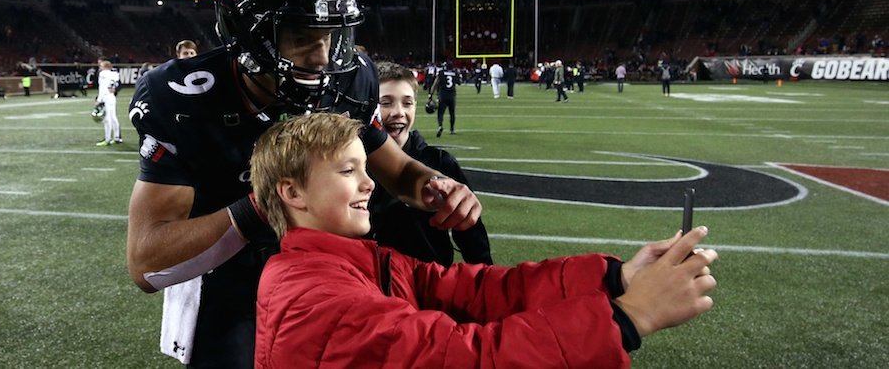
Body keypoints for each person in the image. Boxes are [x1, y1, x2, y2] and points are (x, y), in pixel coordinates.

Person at [125, 0, 482, 369]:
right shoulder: (182, 98)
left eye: (331, 35)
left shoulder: (350, 77)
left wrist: (434, 184)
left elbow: (395, 168)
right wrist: (261, 209)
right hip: (229, 275)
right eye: (301, 35)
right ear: (247, 30)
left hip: (331, 268)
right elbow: (146, 261)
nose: (321, 57)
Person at [250, 112, 718, 369]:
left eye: (366, 169)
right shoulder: (315, 298)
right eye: (349, 171)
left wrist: (616, 276)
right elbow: (467, 358)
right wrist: (629, 317)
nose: (371, 184)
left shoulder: (355, 262)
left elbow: (479, 292)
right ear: (292, 193)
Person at [373, 61, 491, 265]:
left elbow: (473, 240)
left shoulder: (440, 163)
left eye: (407, 103)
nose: (399, 112)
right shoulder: (354, 164)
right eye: (386, 102)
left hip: (427, 286)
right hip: (368, 285)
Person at [429, 60, 460, 137]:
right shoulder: (455, 73)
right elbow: (459, 82)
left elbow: (435, 84)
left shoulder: (441, 73)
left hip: (443, 95)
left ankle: (440, 126)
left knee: (440, 113)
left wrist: (430, 95)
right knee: (452, 113)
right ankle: (452, 129)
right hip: (452, 95)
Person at [96, 59, 122, 146]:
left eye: (101, 66)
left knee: (107, 119)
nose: (100, 68)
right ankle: (117, 137)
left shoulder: (103, 74)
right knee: (113, 117)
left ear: (105, 67)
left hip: (106, 96)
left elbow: (102, 88)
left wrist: (99, 100)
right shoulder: (115, 74)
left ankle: (107, 139)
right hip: (112, 96)